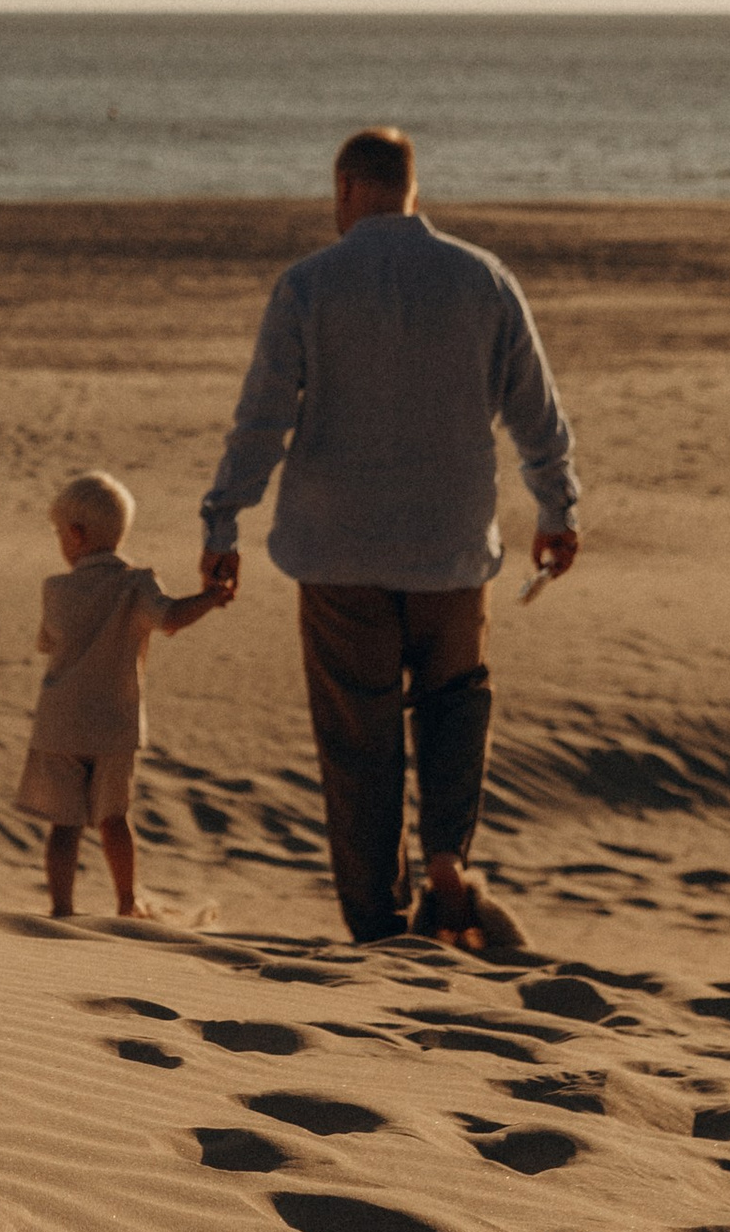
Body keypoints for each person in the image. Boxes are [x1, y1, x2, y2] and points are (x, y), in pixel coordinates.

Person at [198, 128, 579, 950]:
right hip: (450, 547)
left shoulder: (307, 286)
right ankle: (447, 862)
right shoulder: (483, 279)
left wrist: (223, 519)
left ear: (345, 187)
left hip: (338, 551)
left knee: (358, 741)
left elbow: (262, 420)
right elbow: (534, 410)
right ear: (412, 186)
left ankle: (377, 922)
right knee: (454, 703)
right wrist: (558, 507)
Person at [19, 471, 225, 920]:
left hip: (61, 724)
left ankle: (62, 908)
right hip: (114, 724)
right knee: (115, 819)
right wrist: (209, 599)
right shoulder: (137, 583)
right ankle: (126, 902)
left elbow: (48, 643)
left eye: (59, 533)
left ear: (75, 535)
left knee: (65, 824)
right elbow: (170, 618)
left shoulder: (56, 589)